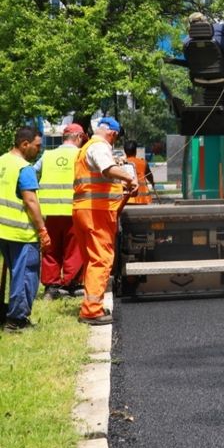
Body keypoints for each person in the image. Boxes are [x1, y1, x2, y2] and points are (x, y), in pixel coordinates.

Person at [73, 117, 137, 326]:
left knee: (92, 260)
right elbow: (107, 169)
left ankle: (92, 304)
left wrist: (121, 187)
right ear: (113, 134)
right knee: (101, 259)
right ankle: (92, 311)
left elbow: (101, 181)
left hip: (84, 210)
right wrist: (130, 178)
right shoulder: (100, 146)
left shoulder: (86, 147)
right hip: (97, 213)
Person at [0, 126, 51, 331]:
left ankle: (8, 314)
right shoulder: (24, 168)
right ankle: (17, 320)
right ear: (25, 144)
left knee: (12, 274)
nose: (39, 150)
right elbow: (30, 201)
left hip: (2, 230)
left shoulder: (2, 161)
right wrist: (42, 230)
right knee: (25, 275)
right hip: (21, 232)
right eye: (37, 146)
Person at [34, 123, 87, 299]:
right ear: (79, 137)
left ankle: (51, 287)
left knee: (50, 249)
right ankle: (71, 285)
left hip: (49, 211)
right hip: (73, 210)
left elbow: (32, 173)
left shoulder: (47, 155)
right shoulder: (81, 154)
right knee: (74, 249)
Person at [123, 140, 154, 205]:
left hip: (127, 199)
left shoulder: (122, 164)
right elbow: (149, 176)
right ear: (135, 151)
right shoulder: (143, 162)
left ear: (125, 151)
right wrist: (152, 183)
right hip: (144, 199)